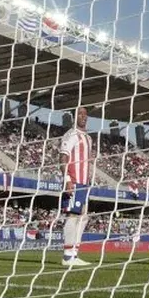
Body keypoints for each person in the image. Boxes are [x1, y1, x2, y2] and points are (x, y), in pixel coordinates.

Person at [59, 106, 93, 267]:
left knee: (83, 217)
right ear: (74, 117)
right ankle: (67, 256)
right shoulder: (71, 134)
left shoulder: (88, 137)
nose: (83, 117)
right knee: (72, 216)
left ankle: (74, 253)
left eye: (85, 114)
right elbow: (63, 157)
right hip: (74, 180)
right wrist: (67, 180)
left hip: (84, 183)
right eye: (80, 114)